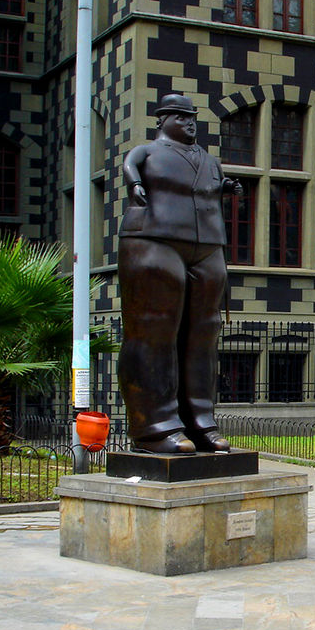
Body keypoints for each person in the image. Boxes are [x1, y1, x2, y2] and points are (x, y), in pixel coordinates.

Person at [118, 93, 245, 454]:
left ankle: (200, 421)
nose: (189, 123)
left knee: (203, 333)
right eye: (180, 117)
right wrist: (135, 185)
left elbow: (208, 190)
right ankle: (154, 426)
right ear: (162, 120)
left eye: (191, 118)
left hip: (207, 245)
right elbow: (131, 171)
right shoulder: (145, 153)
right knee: (154, 329)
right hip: (155, 238)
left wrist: (227, 188)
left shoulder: (208, 160)